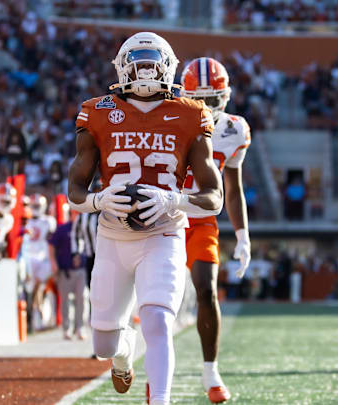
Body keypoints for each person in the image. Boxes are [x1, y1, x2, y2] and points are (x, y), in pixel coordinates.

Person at [67, 32, 223, 405]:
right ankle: (123, 353)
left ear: (168, 67)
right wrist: (99, 199)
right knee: (104, 342)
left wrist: (174, 199)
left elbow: (214, 196)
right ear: (122, 67)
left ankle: (160, 401)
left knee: (157, 319)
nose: (146, 70)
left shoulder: (191, 113)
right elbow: (74, 188)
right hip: (112, 235)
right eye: (138, 61)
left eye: (153, 62)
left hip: (164, 233)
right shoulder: (97, 110)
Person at [179, 56, 252, 403]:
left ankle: (211, 370)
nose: (207, 107)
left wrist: (242, 235)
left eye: (214, 99)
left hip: (203, 218)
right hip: (165, 216)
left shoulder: (234, 129)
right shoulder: (170, 117)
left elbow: (233, 189)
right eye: (201, 99)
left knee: (206, 289)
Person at [49, 207, 88, 340]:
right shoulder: (62, 229)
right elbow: (52, 245)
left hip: (80, 270)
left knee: (82, 298)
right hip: (65, 271)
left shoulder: (84, 229)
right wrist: (53, 262)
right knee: (65, 300)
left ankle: (80, 327)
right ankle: (67, 328)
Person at [22, 193, 56, 330]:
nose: (35, 208)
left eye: (38, 206)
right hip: (28, 258)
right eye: (33, 205)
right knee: (29, 290)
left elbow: (51, 240)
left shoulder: (48, 221)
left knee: (39, 288)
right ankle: (34, 317)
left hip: (43, 259)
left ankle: (38, 316)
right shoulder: (26, 220)